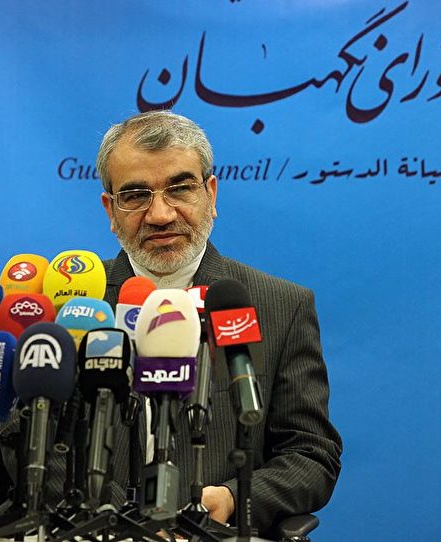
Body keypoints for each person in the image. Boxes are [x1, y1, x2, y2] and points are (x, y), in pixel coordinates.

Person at [96, 110, 342, 535]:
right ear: (111, 210)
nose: (160, 214)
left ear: (210, 194)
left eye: (180, 188)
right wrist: (125, 521)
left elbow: (310, 454)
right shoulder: (77, 306)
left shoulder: (281, 306)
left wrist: (232, 498)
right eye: (135, 195)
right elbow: (31, 440)